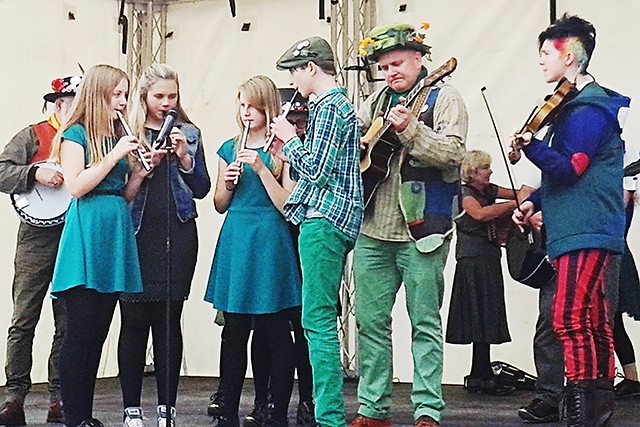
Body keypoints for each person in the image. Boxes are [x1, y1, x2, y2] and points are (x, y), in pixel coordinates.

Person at [511, 14, 629, 426]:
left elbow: (571, 169)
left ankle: (585, 412)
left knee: (570, 317)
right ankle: (593, 410)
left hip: (587, 227)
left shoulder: (589, 109)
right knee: (591, 318)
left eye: (547, 53)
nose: (541, 61)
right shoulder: (576, 109)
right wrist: (535, 201)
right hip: (581, 226)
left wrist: (531, 147)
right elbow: (565, 175)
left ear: (571, 56)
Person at [349, 23, 467, 427]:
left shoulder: (445, 97)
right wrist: (360, 145)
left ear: (420, 59)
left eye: (397, 63)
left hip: (424, 232)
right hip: (373, 230)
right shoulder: (375, 100)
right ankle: (371, 408)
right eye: (383, 66)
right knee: (371, 323)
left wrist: (411, 130)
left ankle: (427, 410)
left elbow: (454, 154)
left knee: (425, 323)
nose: (389, 72)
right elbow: (356, 145)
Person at [48, 64, 149, 427]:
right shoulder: (76, 135)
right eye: (117, 95)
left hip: (113, 229)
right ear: (98, 95)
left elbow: (122, 196)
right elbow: (76, 186)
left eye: (125, 94)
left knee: (99, 332)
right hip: (87, 233)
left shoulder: (116, 135)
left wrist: (137, 174)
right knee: (81, 330)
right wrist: (114, 156)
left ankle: (85, 415)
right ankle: (75, 416)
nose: (122, 102)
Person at [270, 36, 364, 427]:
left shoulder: (328, 107)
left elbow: (316, 171)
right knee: (320, 318)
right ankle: (328, 414)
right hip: (335, 220)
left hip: (324, 220)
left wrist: (291, 141)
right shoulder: (340, 106)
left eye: (294, 71)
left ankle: (329, 417)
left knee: (318, 321)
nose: (292, 81)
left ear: (311, 68)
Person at [117, 63, 211, 427]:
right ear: (144, 97)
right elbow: (121, 187)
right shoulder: (130, 133)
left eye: (172, 96)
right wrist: (143, 162)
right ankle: (131, 409)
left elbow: (201, 188)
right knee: (134, 320)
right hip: (138, 233)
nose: (166, 103)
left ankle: (166, 409)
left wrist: (185, 158)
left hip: (178, 232)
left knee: (169, 321)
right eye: (159, 96)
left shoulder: (189, 132)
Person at [205, 75, 301, 427]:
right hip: (237, 237)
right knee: (233, 328)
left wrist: (261, 170)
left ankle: (275, 408)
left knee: (273, 328)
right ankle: (227, 404)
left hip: (269, 239)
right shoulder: (229, 147)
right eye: (241, 105)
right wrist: (228, 184)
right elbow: (218, 204)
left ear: (267, 107)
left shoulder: (283, 149)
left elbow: (287, 204)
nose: (246, 112)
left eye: (253, 106)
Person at [0, 75, 80, 425]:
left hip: (72, 234)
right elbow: (1, 170)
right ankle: (14, 397)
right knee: (24, 318)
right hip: (34, 236)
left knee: (68, 320)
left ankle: (60, 398)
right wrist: (35, 174)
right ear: (60, 104)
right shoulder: (32, 135)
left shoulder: (86, 138)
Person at [445, 150, 530, 396]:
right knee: (479, 314)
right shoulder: (464, 193)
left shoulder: (488, 190)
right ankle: (480, 375)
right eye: (485, 168)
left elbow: (518, 192)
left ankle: (479, 374)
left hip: (488, 256)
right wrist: (515, 204)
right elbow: (480, 214)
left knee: (484, 314)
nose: (490, 172)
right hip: (472, 258)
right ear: (472, 173)